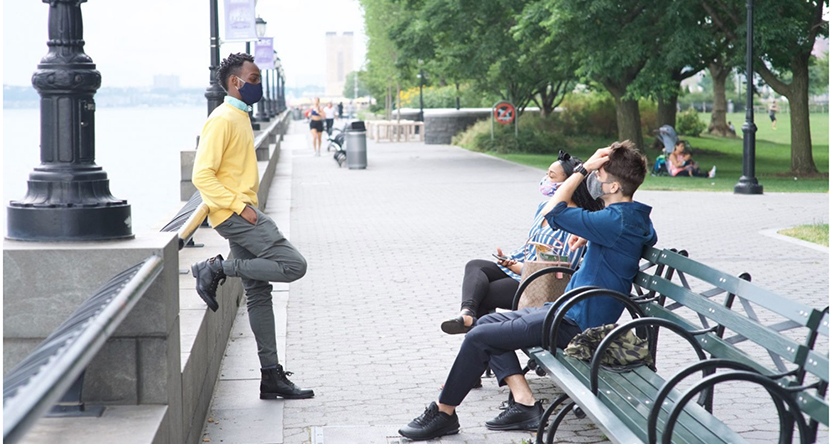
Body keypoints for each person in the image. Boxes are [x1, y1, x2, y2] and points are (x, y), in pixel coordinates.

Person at [399, 141, 658, 441]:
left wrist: (581, 168)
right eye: (592, 172)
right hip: (569, 311)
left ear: (613, 186)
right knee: (486, 323)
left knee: (480, 336)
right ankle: (523, 404)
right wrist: (590, 238)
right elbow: (638, 235)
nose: (593, 179)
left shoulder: (614, 220)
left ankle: (444, 412)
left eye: (598, 175)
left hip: (579, 325)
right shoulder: (631, 217)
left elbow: (554, 210)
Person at [190, 53, 314, 401]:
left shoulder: (240, 116)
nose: (258, 84)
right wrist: (239, 206)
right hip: (237, 215)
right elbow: (202, 174)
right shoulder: (223, 119)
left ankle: (270, 376)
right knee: (294, 265)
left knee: (259, 292)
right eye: (255, 78)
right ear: (235, 82)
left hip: (242, 211)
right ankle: (215, 267)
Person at [440, 150, 604, 334]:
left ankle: (482, 343)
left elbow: (560, 266)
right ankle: (467, 314)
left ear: (569, 183)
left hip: (540, 281)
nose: (545, 180)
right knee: (475, 266)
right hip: (523, 270)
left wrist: (517, 267)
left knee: (482, 294)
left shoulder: (575, 219)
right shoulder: (544, 207)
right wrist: (509, 260)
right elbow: (532, 246)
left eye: (551, 176)